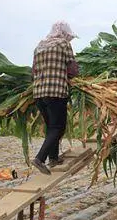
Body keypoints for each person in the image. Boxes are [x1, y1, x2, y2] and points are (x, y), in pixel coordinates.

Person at [31, 21, 80, 175]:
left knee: (51, 127)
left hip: (39, 94)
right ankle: (40, 158)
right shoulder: (63, 45)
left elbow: (33, 71)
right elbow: (72, 70)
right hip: (56, 92)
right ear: (65, 33)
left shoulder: (39, 46)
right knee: (58, 127)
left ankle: (53, 158)